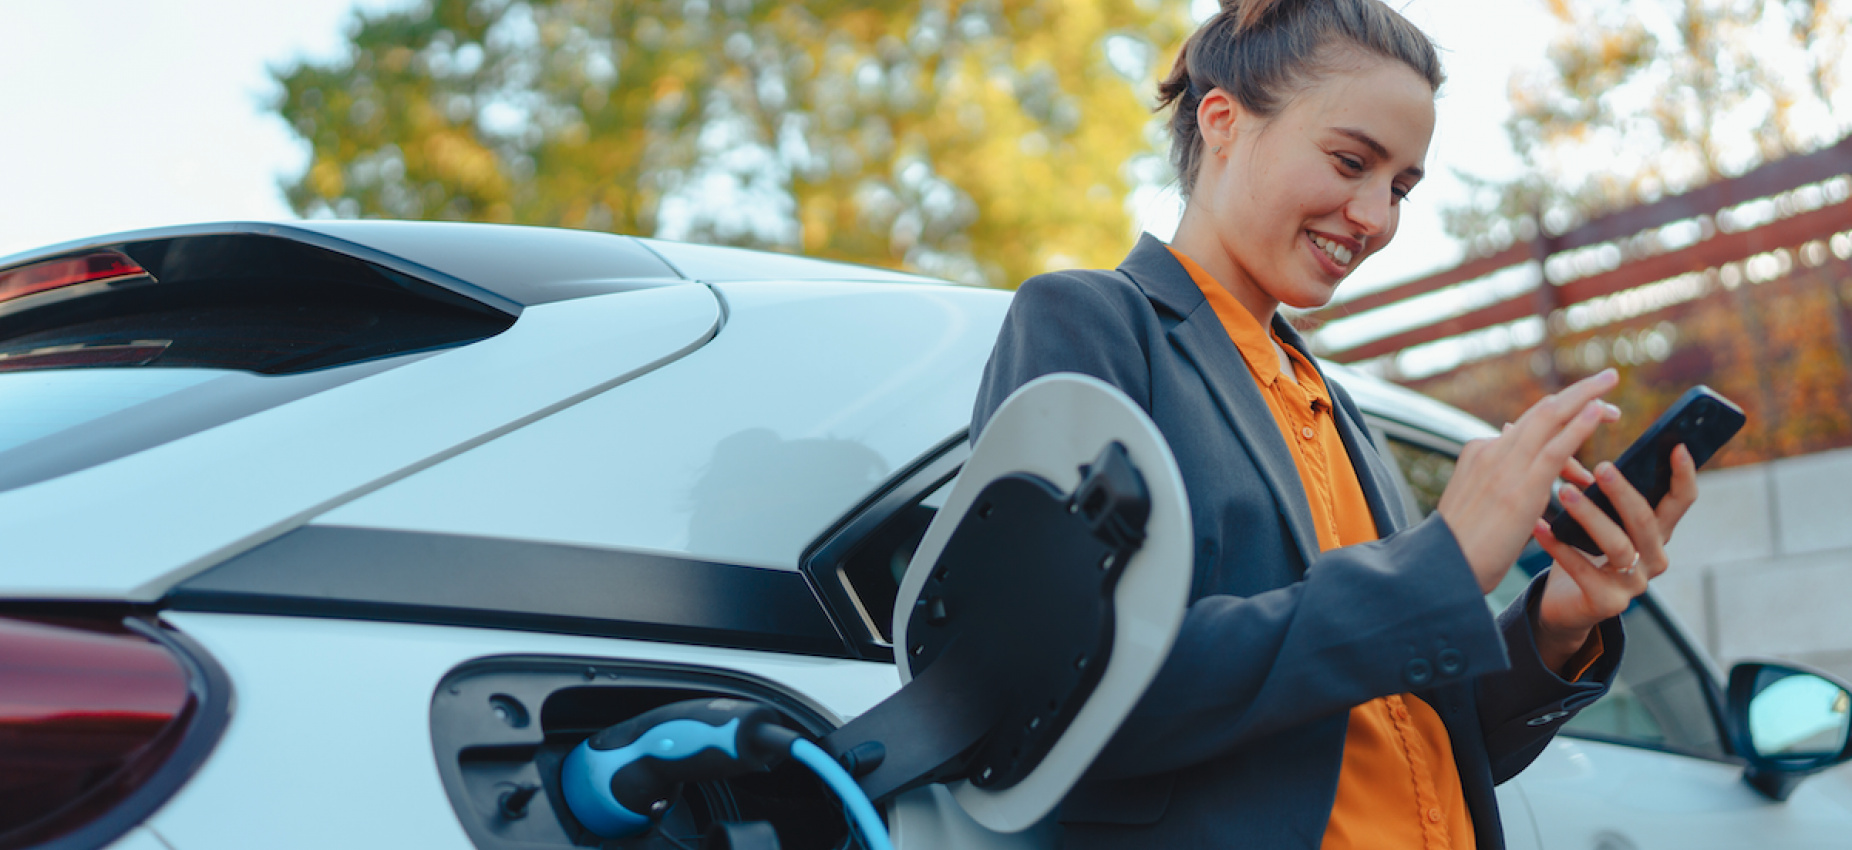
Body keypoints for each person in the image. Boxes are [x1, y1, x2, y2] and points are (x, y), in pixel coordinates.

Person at [970, 0, 1701, 847]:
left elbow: (1417, 741)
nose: (1377, 218)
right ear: (1223, 122)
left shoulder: (1338, 407)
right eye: (1351, 161)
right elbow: (1062, 688)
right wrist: (1441, 567)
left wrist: (1557, 623)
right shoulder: (1090, 323)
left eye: (1399, 187)